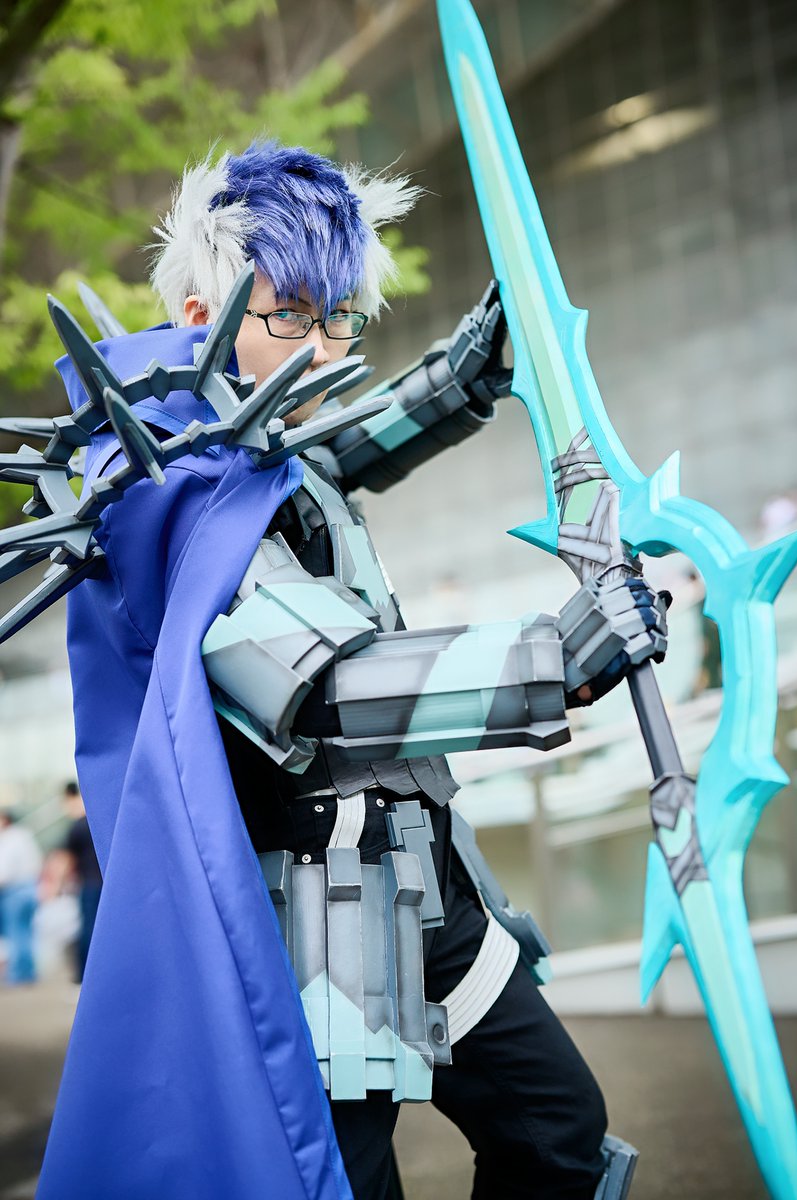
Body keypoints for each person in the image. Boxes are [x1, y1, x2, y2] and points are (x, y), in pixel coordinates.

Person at [33, 142, 665, 1200]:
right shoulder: (166, 493)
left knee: (557, 1133)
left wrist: (471, 367)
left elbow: (338, 450)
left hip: (427, 876)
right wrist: (556, 658)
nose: (323, 347)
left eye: (337, 318)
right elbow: (326, 689)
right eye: (292, 316)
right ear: (201, 316)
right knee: (341, 1181)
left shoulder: (262, 453)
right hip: (317, 912)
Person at [61, 781, 102, 982]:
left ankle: (84, 974)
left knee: (88, 929)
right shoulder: (101, 823)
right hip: (105, 883)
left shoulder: (77, 826)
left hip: (89, 884)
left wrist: (58, 885)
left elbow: (68, 860)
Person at [0, 809, 42, 984]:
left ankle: (17, 974)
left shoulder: (8, 840)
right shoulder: (25, 836)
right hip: (30, 887)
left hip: (14, 891)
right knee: (26, 932)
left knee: (16, 932)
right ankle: (28, 971)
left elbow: (5, 871)